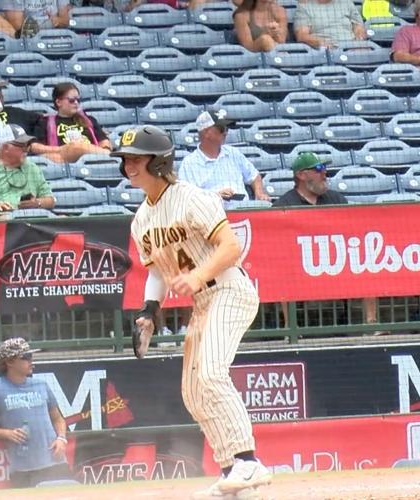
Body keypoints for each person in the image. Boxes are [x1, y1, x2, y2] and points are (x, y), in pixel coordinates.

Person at [114, 125, 271, 500]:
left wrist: (199, 274)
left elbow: (230, 247)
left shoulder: (192, 198)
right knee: (193, 392)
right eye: (126, 160)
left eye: (136, 158)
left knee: (213, 373)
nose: (129, 165)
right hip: (203, 302)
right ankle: (233, 471)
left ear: (159, 161)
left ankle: (249, 460)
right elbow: (155, 270)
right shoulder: (141, 220)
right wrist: (149, 312)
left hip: (229, 289)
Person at [272, 153, 380, 332]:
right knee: (282, 270)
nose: (325, 174)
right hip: (300, 263)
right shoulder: (284, 204)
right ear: (301, 175)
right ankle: (289, 328)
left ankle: (371, 323)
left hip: (337, 259)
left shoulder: (336, 199)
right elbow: (277, 242)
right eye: (319, 169)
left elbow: (352, 229)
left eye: (324, 169)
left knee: (365, 262)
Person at [0, 337, 70, 488]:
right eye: (26, 357)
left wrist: (61, 438)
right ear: (10, 362)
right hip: (23, 469)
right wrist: (6, 434)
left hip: (55, 462)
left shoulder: (42, 384)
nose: (31, 361)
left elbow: (58, 418)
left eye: (31, 357)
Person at [179, 111, 270, 208]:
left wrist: (259, 193)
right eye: (221, 129)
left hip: (243, 211)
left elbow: (254, 176)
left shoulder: (233, 153)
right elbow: (187, 198)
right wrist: (215, 196)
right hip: (212, 216)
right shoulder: (189, 163)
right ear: (206, 132)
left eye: (227, 129)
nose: (226, 132)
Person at [0, 124, 55, 217]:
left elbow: (50, 200)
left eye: (28, 145)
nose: (26, 149)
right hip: (2, 223)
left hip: (33, 219)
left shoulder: (32, 168)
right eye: (21, 145)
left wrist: (37, 203)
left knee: (63, 219)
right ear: (5, 148)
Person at [31, 82, 113, 164]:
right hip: (62, 159)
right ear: (58, 102)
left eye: (78, 100)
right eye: (71, 100)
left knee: (76, 147)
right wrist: (61, 149)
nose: (76, 103)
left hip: (91, 158)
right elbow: (34, 146)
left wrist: (105, 149)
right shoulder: (45, 122)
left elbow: (103, 140)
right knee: (55, 156)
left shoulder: (89, 120)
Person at [293, 0, 366, 49]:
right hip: (324, 51)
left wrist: (358, 43)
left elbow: (359, 26)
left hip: (351, 48)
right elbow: (302, 36)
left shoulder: (346, 2)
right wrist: (323, 44)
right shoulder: (304, 7)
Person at [3, 0, 70, 36]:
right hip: (28, 38)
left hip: (54, 33)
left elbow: (66, 21)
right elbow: (17, 25)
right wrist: (45, 24)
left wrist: (57, 21)